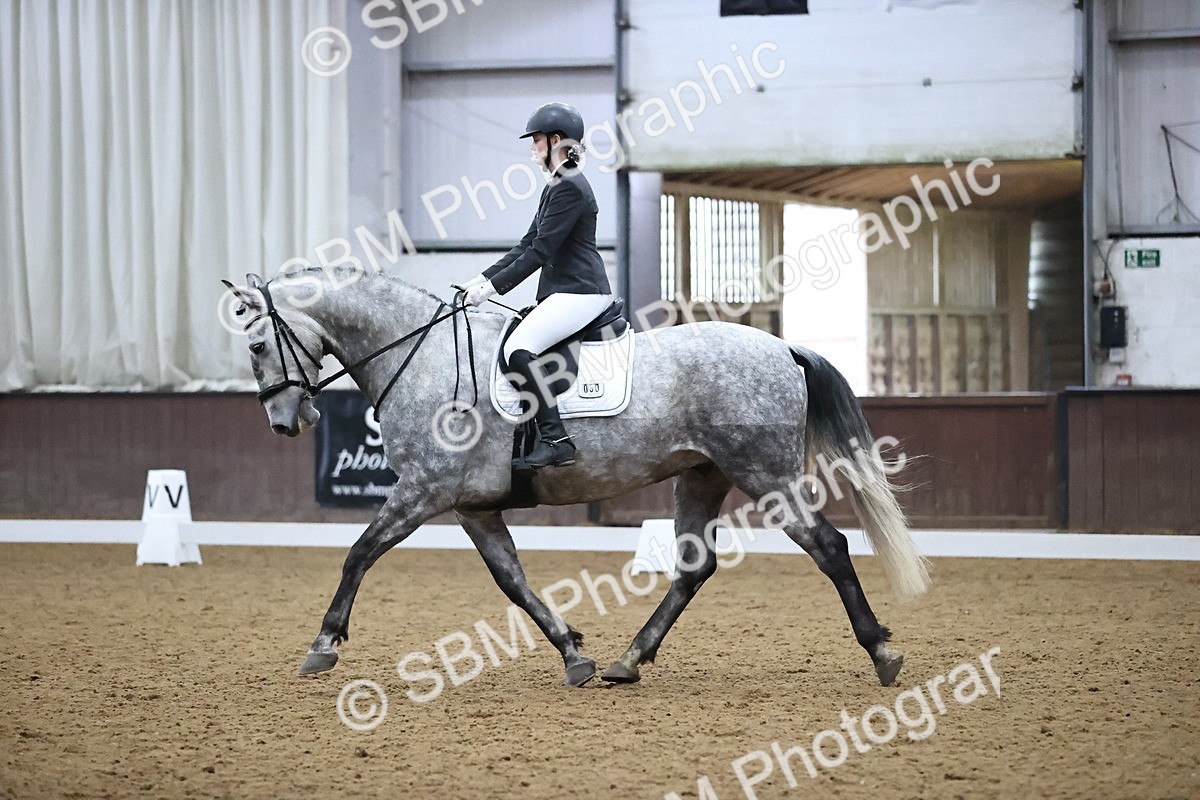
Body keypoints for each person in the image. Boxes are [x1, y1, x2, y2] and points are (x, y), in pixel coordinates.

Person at [460, 102, 614, 470]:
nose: (531, 148)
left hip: (581, 291)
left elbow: (542, 251)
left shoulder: (570, 187)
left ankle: (557, 440)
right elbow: (527, 242)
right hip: (567, 290)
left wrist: (494, 290)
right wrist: (482, 279)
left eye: (536, 140)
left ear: (556, 141)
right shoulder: (558, 184)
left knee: (518, 348)